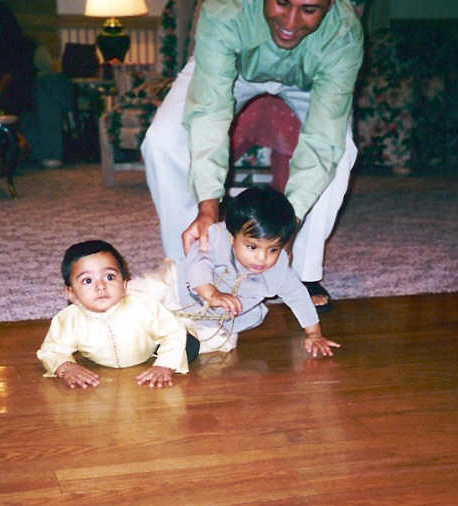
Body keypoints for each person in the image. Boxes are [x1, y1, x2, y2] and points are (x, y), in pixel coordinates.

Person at [140, 0, 364, 312]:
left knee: (340, 152)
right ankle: (189, 267)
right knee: (163, 140)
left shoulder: (343, 32)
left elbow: (322, 141)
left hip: (311, 80)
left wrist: (284, 228)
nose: (291, 22)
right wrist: (208, 207)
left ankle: (302, 272)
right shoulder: (224, 9)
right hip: (229, 66)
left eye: (309, 10)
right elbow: (210, 112)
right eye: (282, 2)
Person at [130, 186, 340, 357]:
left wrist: (314, 334)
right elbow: (199, 261)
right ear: (232, 237)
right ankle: (119, 301)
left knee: (222, 342)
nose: (262, 258)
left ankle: (169, 343)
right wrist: (211, 293)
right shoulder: (217, 237)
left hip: (212, 318)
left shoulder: (278, 270)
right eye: (252, 247)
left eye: (273, 249)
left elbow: (298, 296)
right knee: (152, 287)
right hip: (179, 285)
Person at [37, 240, 199, 389]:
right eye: (87, 281)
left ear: (125, 284)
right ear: (71, 293)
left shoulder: (143, 306)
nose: (100, 286)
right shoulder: (69, 320)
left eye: (110, 277)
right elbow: (52, 350)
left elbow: (172, 331)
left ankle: (166, 349)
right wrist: (66, 368)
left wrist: (164, 365)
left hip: (149, 346)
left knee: (188, 344)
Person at [0, 2, 73, 168]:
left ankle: (20, 140)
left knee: (13, 102)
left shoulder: (22, 45)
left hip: (18, 92)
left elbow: (15, 73)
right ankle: (14, 141)